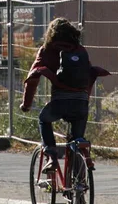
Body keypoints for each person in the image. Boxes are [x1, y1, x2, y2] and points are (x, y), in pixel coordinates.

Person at [20, 18, 109, 173]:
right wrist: (84, 100)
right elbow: (86, 76)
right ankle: (79, 187)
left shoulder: (47, 50)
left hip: (60, 102)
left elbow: (32, 79)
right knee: (77, 141)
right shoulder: (80, 50)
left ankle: (52, 158)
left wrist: (26, 104)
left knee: (43, 119)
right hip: (80, 103)